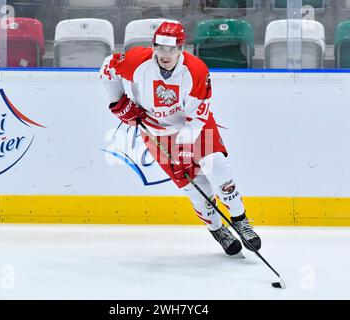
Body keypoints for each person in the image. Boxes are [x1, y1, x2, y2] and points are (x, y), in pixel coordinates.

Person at [100, 21, 261, 256]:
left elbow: (196, 118)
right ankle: (218, 230)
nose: (165, 55)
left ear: (181, 48)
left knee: (217, 168)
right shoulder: (137, 62)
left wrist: (184, 150)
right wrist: (118, 102)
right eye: (161, 48)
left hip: (196, 127)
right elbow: (107, 67)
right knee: (197, 187)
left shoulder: (195, 71)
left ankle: (241, 220)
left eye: (172, 49)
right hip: (156, 133)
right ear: (153, 46)